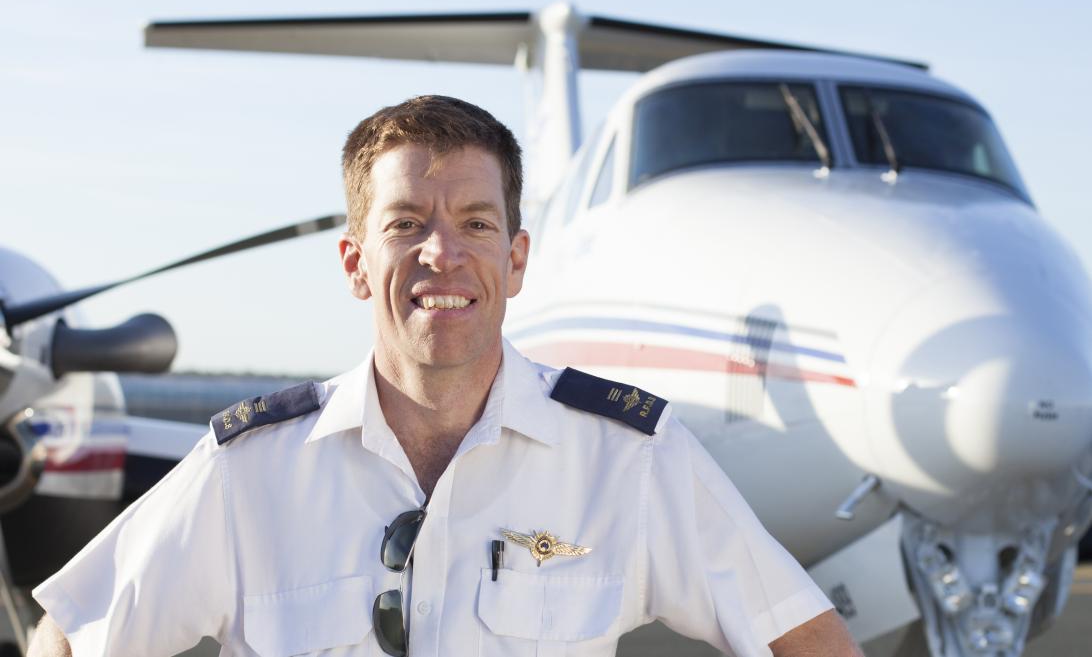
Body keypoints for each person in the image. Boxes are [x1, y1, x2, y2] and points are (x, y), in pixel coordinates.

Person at [29, 95, 862, 657]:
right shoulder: (250, 470)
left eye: (475, 222)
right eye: (406, 224)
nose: (444, 253)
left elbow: (807, 638)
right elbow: (69, 635)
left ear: (517, 257)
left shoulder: (629, 459)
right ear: (357, 263)